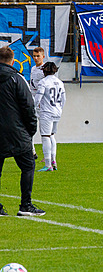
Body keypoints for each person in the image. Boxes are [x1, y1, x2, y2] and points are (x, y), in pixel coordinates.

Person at [0, 46, 44, 217]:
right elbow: (28, 106)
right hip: (16, 131)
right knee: (28, 166)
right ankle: (25, 205)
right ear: (12, 61)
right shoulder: (17, 79)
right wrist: (31, 130)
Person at [34, 62, 65, 172]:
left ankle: (48, 164)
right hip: (57, 112)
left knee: (45, 136)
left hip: (47, 112)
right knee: (52, 136)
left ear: (44, 71)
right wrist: (60, 109)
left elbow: (38, 97)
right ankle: (54, 160)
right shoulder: (60, 82)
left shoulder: (43, 82)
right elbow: (63, 99)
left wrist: (33, 107)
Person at [30, 46, 46, 160]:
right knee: (29, 127)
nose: (36, 58)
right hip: (32, 102)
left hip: (43, 104)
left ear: (43, 56)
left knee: (45, 131)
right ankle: (31, 151)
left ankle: (48, 156)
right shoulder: (33, 69)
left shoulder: (46, 70)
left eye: (38, 56)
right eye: (34, 56)